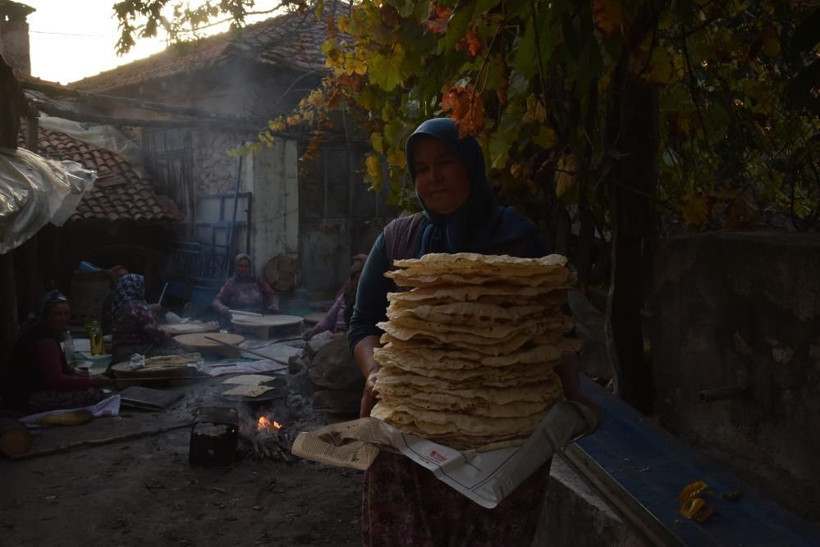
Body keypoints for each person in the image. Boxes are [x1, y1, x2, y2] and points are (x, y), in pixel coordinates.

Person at [348, 118, 597, 546]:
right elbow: (363, 323)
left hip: (504, 436)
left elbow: (553, 324)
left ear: (471, 165)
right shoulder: (398, 240)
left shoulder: (518, 239)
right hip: (412, 430)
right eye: (422, 168)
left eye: (446, 162)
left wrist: (573, 395)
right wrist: (375, 372)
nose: (434, 177)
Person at [2, 290, 111, 412]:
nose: (63, 318)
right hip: (27, 398)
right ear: (45, 315)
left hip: (21, 394)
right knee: (95, 394)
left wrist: (90, 377)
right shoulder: (44, 340)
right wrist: (90, 381)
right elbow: (56, 380)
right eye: (57, 314)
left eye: (66, 314)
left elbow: (64, 373)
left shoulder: (40, 331)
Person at [109, 274, 186, 364]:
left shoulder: (118, 305)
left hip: (117, 352)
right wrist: (178, 345)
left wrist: (148, 310)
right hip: (134, 352)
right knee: (179, 354)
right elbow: (156, 332)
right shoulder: (137, 307)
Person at [302, 253, 368, 341]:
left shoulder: (369, 299)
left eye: (361, 278)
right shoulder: (346, 295)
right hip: (336, 335)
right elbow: (330, 318)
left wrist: (345, 336)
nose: (358, 281)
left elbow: (366, 328)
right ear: (351, 280)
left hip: (354, 340)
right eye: (355, 278)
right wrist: (314, 330)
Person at [212, 254, 280, 319]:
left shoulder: (257, 280)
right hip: (238, 315)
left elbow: (273, 294)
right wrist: (221, 307)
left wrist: (275, 303)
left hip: (258, 315)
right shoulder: (231, 283)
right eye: (240, 266)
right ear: (236, 267)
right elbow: (216, 301)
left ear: (250, 267)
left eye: (246, 266)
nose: (243, 269)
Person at [101, 264, 129, 335]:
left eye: (127, 276)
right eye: (121, 276)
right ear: (114, 278)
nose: (124, 278)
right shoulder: (113, 296)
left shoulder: (128, 293)